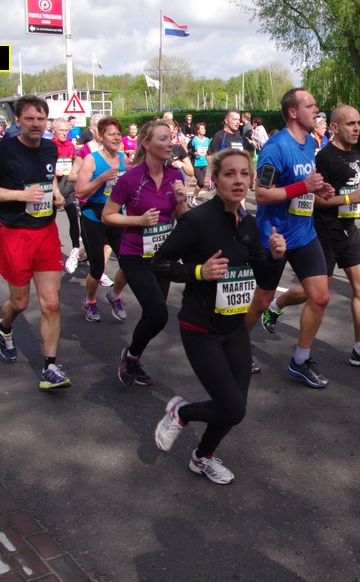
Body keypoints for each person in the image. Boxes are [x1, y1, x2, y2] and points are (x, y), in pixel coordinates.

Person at [152, 148, 286, 484]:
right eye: (229, 174)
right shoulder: (196, 221)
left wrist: (275, 256)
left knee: (234, 406)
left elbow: (264, 276)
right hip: (200, 328)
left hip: (234, 326)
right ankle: (181, 411)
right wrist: (199, 271)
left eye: (244, 173)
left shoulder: (249, 224)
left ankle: (202, 457)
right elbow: (160, 263)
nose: (238, 180)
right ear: (215, 179)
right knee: (232, 408)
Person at [259, 105, 360, 371]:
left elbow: (348, 190)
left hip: (348, 230)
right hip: (324, 231)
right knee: (317, 292)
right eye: (350, 124)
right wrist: (350, 198)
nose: (357, 128)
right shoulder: (324, 157)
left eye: (359, 123)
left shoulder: (354, 153)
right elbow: (315, 200)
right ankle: (276, 305)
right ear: (334, 127)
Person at [0, 95, 71, 391]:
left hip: (46, 231)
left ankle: (50, 367)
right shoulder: (3, 150)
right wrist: (21, 196)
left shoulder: (49, 147)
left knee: (51, 302)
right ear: (18, 120)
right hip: (14, 232)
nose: (35, 124)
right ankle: (4, 327)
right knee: (20, 302)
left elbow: (48, 178)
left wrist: (56, 194)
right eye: (29, 118)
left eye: (41, 119)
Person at [245, 88, 335, 387]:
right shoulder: (275, 148)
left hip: (304, 233)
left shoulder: (310, 142)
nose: (316, 109)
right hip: (273, 237)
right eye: (310, 105)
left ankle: (300, 361)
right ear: (293, 112)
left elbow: (304, 182)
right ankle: (237, 345)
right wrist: (303, 187)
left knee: (320, 296)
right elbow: (261, 194)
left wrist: (318, 188)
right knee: (262, 301)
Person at [102, 119, 188, 386]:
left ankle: (132, 357)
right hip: (134, 255)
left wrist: (181, 200)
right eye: (163, 139)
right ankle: (131, 357)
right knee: (158, 312)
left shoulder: (175, 176)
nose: (170, 143)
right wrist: (137, 220)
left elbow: (183, 219)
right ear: (147, 144)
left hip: (162, 255)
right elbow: (108, 215)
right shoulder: (131, 179)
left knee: (154, 315)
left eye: (171, 138)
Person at [74, 117, 130, 324]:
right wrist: (101, 178)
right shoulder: (91, 159)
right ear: (100, 137)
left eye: (118, 134)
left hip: (116, 217)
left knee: (129, 264)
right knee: (97, 270)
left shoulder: (124, 158)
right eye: (111, 134)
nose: (116, 138)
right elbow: (80, 192)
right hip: (94, 217)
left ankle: (114, 295)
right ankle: (89, 301)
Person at [51, 119, 83, 274]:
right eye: (61, 130)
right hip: (53, 187)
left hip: (68, 187)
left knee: (73, 219)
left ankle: (75, 251)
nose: (64, 133)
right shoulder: (49, 146)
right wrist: (53, 171)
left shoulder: (70, 146)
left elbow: (75, 165)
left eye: (66, 131)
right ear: (54, 131)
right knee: (49, 221)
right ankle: (50, 250)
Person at [187, 122, 210, 205]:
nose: (204, 130)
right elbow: (187, 149)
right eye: (202, 129)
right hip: (196, 163)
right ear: (198, 130)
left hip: (204, 164)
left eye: (204, 128)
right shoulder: (194, 140)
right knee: (201, 182)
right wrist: (194, 153)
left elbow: (208, 150)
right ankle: (193, 198)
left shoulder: (207, 140)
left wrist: (208, 154)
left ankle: (193, 197)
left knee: (200, 184)